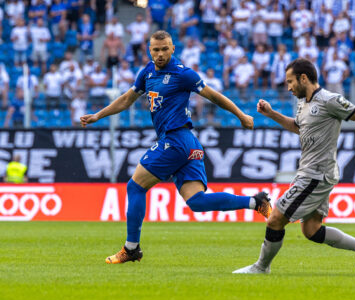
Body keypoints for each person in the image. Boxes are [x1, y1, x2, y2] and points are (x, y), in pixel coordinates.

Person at [80, 31, 272, 264]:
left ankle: (131, 248)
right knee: (197, 202)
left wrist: (241, 115)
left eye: (164, 49)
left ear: (172, 49)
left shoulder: (183, 74)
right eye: (155, 50)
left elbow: (214, 96)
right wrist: (98, 115)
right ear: (149, 50)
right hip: (189, 143)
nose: (160, 54)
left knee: (135, 187)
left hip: (176, 139)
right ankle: (256, 202)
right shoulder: (147, 73)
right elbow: (126, 99)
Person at [233, 58, 355, 274]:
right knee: (311, 230)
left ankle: (261, 267)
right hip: (313, 173)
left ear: (304, 78)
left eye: (290, 81)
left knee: (275, 219)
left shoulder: (330, 100)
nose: (288, 87)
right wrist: (272, 114)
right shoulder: (303, 102)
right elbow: (299, 128)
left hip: (316, 175)